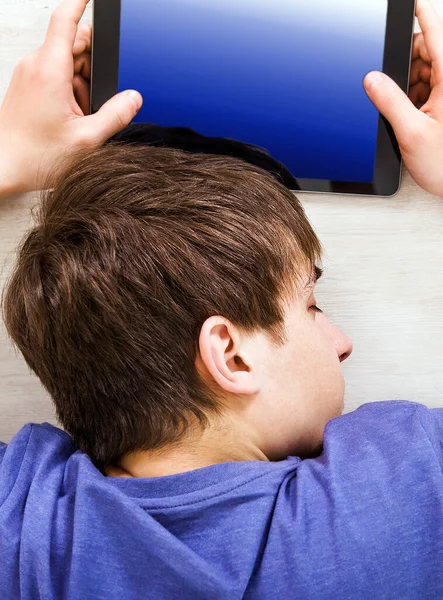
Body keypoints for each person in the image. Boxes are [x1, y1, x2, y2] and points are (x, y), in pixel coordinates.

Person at [0, 0, 442, 597]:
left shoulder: (25, 522)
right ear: (230, 355)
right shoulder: (404, 483)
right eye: (311, 306)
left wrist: (6, 162)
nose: (342, 342)